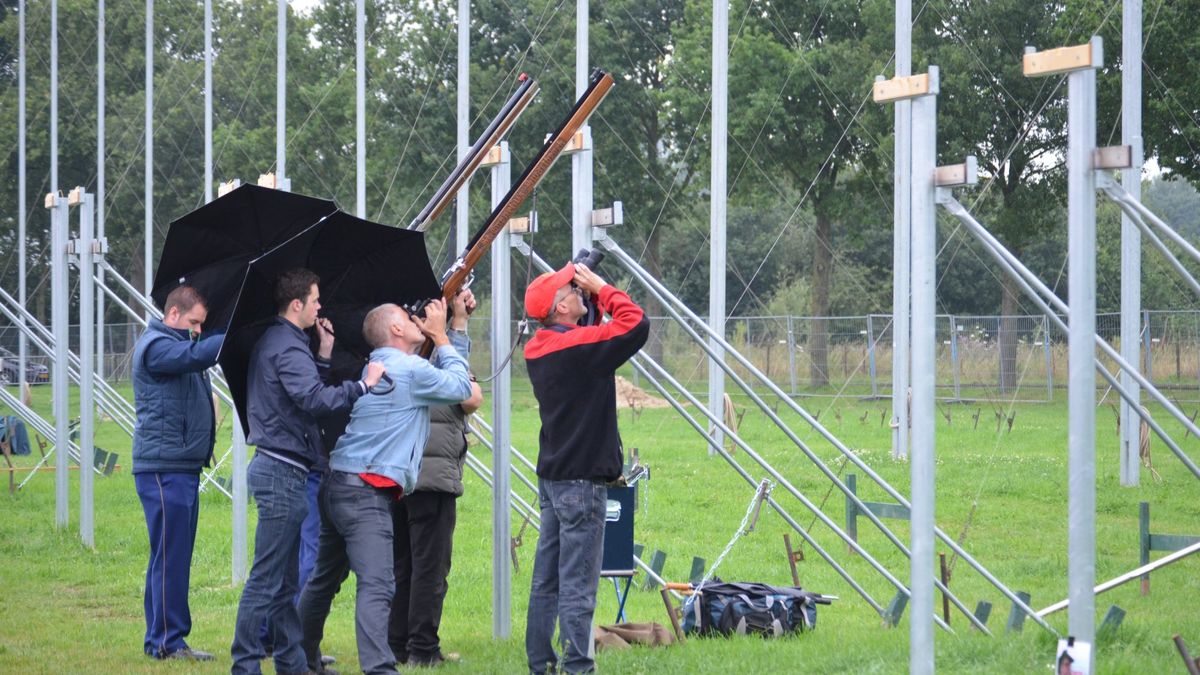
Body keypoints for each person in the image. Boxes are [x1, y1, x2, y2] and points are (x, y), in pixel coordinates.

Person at [298, 298, 477, 675]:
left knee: (324, 581)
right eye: (407, 318)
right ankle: (380, 668)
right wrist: (444, 334)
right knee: (378, 585)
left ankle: (298, 660)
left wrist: (452, 326)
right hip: (365, 492)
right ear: (396, 330)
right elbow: (463, 386)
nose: (416, 320)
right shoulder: (411, 370)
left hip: (336, 484)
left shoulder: (376, 366)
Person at [231, 268, 385, 675]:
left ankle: (292, 664)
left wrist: (323, 353)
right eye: (315, 300)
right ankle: (244, 665)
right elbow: (315, 400)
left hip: (285, 468)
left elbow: (296, 397)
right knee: (267, 580)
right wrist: (363, 385)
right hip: (281, 470)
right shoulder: (285, 345)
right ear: (297, 304)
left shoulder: (286, 343)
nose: (320, 307)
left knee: (283, 585)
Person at [522, 262, 649, 674]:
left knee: (547, 582)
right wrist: (604, 288)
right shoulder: (579, 349)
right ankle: (579, 667)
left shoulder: (541, 346)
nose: (579, 293)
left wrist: (589, 296)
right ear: (560, 307)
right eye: (571, 291)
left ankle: (541, 663)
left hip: (554, 478)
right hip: (582, 482)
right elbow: (635, 324)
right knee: (578, 586)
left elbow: (589, 335)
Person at [389, 290, 483, 667]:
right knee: (430, 570)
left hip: (403, 476)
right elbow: (468, 394)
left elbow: (456, 371)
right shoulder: (420, 366)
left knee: (406, 568)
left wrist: (457, 325)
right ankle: (423, 650)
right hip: (431, 477)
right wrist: (444, 335)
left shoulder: (399, 359)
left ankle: (398, 644)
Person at [131, 284, 224, 661]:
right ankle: (167, 643)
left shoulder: (174, 344)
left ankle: (163, 638)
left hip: (178, 466)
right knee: (171, 557)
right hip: (164, 468)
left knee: (170, 555)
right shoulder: (158, 346)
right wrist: (231, 333)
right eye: (194, 322)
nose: (198, 330)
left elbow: (195, 353)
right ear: (172, 315)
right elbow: (196, 355)